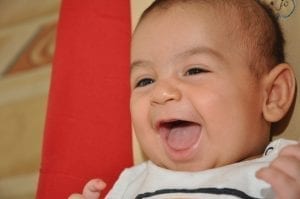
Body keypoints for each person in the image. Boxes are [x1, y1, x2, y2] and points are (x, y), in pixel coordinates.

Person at [69, 0, 300, 198]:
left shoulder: (286, 170)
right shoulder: (132, 183)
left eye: (194, 71)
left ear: (272, 95)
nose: (160, 93)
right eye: (145, 81)